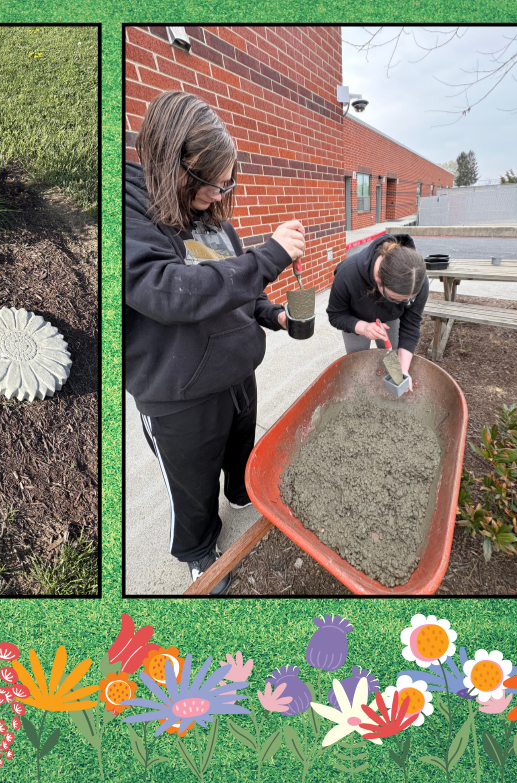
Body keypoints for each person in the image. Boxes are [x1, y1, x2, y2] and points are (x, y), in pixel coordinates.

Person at [125, 90, 306, 595]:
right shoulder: (127, 214)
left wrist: (271, 314)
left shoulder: (206, 210)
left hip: (235, 373)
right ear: (174, 164)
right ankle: (198, 549)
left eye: (229, 182)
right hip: (178, 392)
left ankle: (240, 490)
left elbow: (230, 284)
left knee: (238, 448)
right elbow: (170, 292)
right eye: (213, 183)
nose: (222, 196)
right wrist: (268, 257)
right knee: (192, 487)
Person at [326, 234, 429, 390]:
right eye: (396, 299)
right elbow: (336, 315)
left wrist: (403, 371)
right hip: (355, 319)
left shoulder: (416, 281)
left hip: (390, 319)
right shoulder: (347, 274)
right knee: (358, 363)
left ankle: (385, 388)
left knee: (393, 356)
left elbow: (411, 325)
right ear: (378, 279)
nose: (404, 304)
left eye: (407, 300)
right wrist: (364, 328)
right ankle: (363, 391)